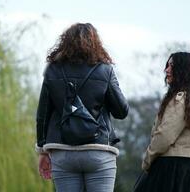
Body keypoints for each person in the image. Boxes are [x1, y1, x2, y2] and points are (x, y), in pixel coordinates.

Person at [35, 23, 129, 192]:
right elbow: (121, 111)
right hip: (98, 151)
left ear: (65, 42)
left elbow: (43, 115)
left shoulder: (52, 70)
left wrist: (42, 150)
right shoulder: (105, 70)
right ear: (96, 43)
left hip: (63, 152)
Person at [133, 52, 190, 192]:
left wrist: (147, 160)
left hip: (171, 172)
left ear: (183, 70)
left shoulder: (181, 100)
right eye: (167, 65)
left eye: (172, 66)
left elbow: (165, 136)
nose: (166, 70)